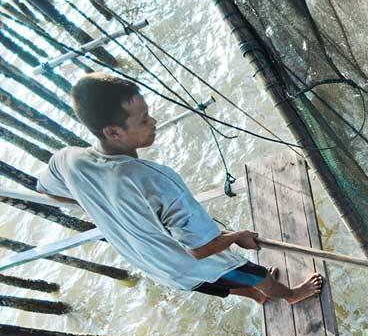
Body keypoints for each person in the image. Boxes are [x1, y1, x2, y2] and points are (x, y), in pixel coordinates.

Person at [36, 73, 323, 305]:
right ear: (113, 132)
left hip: (151, 264)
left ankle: (256, 296)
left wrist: (95, 201)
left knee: (217, 285)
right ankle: (291, 295)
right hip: (187, 262)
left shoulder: (68, 160)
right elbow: (200, 250)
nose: (153, 122)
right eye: (143, 119)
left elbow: (48, 191)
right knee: (258, 275)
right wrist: (237, 237)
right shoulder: (154, 180)